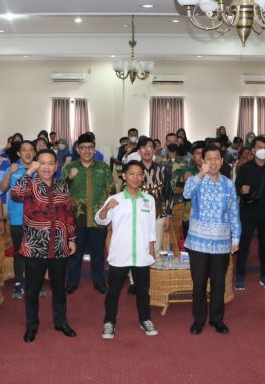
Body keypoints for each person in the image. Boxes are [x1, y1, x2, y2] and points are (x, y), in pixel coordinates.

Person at [11, 149, 77, 343]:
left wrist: (72, 238)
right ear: (36, 164)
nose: (46, 167)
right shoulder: (29, 184)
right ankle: (31, 326)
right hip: (35, 246)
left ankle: (61, 322)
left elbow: (68, 213)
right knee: (32, 290)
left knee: (59, 288)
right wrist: (30, 171)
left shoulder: (62, 185)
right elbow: (15, 194)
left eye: (50, 163)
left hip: (59, 245)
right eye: (42, 163)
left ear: (56, 166)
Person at [95, 160, 158, 340]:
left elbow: (151, 227)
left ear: (143, 177)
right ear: (124, 176)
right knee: (113, 292)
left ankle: (145, 319)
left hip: (141, 253)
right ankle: (109, 322)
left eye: (139, 174)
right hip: (120, 253)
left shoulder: (149, 200)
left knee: (143, 291)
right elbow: (100, 220)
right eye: (131, 173)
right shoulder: (115, 199)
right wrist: (106, 208)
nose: (136, 177)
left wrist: (151, 249)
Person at [183, 145, 240, 335]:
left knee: (218, 283)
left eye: (217, 158)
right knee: (199, 283)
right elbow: (186, 194)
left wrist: (236, 238)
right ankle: (198, 320)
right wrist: (200, 174)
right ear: (202, 161)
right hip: (198, 242)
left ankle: (217, 319)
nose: (213, 162)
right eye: (209, 158)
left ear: (222, 161)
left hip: (221, 242)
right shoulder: (196, 180)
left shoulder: (228, 184)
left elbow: (233, 212)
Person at [64, 133, 115, 294]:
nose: (87, 151)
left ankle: (99, 282)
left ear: (94, 149)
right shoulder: (69, 168)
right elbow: (60, 192)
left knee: (98, 253)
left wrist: (111, 218)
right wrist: (69, 178)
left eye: (90, 147)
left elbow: (111, 193)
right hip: (76, 220)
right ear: (78, 150)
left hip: (98, 219)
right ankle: (72, 282)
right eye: (83, 148)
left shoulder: (103, 168)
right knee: (75, 254)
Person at [234, 136, 265, 291]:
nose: (262, 150)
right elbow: (236, 188)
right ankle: (240, 275)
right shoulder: (245, 168)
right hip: (248, 213)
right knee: (244, 245)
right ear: (253, 150)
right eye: (259, 147)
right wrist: (241, 190)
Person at [0, 140, 36, 299]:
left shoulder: (39, 169)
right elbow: (2, 189)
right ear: (18, 153)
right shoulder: (13, 169)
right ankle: (18, 283)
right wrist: (9, 173)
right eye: (24, 150)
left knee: (34, 252)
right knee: (19, 251)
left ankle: (34, 283)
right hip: (17, 218)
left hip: (36, 219)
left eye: (30, 150)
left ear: (34, 153)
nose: (27, 153)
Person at [137, 136, 173, 255]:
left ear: (154, 150)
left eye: (150, 147)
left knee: (156, 249)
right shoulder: (134, 170)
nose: (147, 150)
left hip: (159, 214)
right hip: (138, 215)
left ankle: (154, 267)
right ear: (139, 151)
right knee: (139, 247)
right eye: (143, 147)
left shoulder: (163, 169)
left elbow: (168, 193)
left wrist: (168, 216)